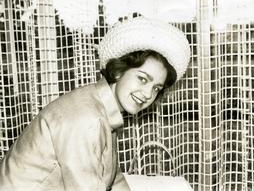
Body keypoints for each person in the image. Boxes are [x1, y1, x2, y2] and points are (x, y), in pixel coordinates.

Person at [0, 16, 190, 191]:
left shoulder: (101, 106)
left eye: (156, 88)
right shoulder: (88, 120)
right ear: (118, 72)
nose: (148, 94)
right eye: (142, 79)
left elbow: (113, 178)